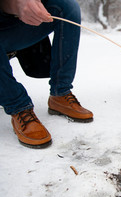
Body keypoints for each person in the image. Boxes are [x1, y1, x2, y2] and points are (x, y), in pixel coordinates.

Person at [0, 0, 93, 149]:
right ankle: (18, 107)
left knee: (68, 7)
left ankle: (60, 92)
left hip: (17, 24)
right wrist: (15, 4)